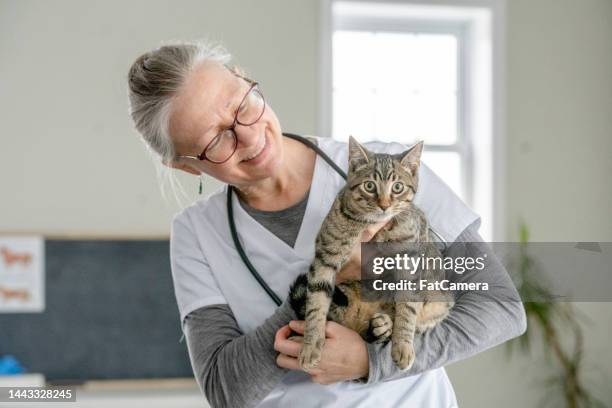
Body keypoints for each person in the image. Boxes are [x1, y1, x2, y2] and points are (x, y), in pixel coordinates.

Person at [127, 41, 526, 408]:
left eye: (242, 106)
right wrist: (325, 282)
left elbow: (501, 307)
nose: (248, 137)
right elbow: (226, 390)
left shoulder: (390, 173)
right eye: (216, 141)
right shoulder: (196, 234)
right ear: (183, 164)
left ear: (246, 78)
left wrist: (370, 360)